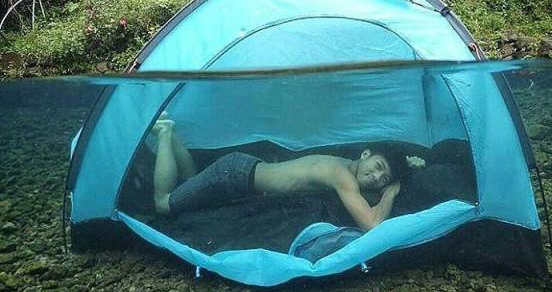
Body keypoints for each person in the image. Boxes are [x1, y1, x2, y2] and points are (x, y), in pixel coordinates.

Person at [152, 115, 404, 232]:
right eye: (378, 166)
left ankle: (170, 131)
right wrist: (390, 193)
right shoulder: (342, 176)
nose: (376, 177)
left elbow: (366, 195)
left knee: (189, 181)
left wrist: (410, 165)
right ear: (365, 154)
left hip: (241, 169)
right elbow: (371, 225)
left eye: (383, 179)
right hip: (233, 176)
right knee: (164, 204)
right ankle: (164, 133)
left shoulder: (347, 166)